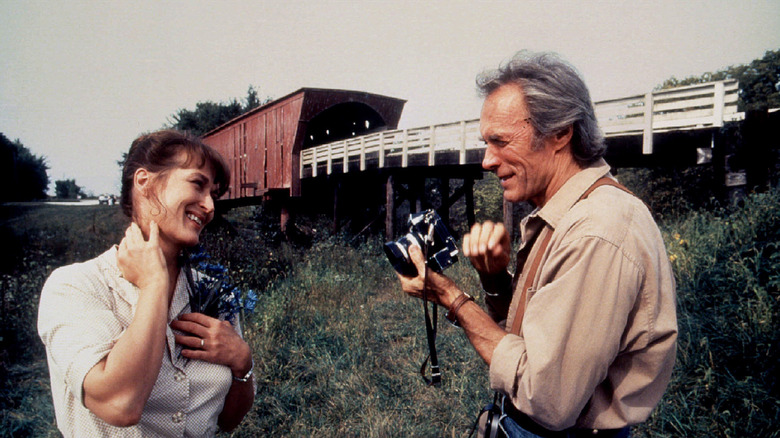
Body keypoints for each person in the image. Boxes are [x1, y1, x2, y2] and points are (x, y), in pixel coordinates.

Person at [397, 51, 678, 437]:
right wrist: (495, 279)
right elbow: (537, 337)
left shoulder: (596, 231)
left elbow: (547, 399)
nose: (486, 160)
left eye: (500, 141)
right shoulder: (568, 212)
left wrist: (450, 297)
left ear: (561, 132)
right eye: (485, 143)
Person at [38, 129, 255, 437]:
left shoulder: (212, 292)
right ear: (144, 182)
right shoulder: (76, 286)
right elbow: (120, 404)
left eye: (214, 195)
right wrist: (154, 285)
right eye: (197, 184)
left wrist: (242, 364)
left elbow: (227, 422)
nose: (209, 207)